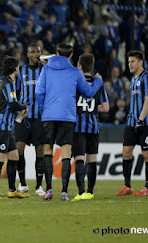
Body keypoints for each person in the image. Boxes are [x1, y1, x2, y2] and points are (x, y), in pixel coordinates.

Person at [35, 43, 103, 201]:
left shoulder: (46, 69)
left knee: (47, 151)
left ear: (56, 53)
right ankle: (64, 192)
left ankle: (49, 189)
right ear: (71, 55)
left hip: (49, 115)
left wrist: (43, 109)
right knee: (66, 152)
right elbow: (88, 92)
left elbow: (39, 91)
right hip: (67, 116)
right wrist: (98, 81)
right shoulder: (74, 72)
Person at [71, 53, 109, 201]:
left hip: (78, 127)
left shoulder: (75, 83)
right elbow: (106, 108)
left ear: (79, 66)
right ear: (91, 67)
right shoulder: (98, 83)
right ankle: (90, 191)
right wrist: (92, 108)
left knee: (79, 158)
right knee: (92, 159)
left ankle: (80, 192)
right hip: (93, 127)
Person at [0, 56, 29, 198]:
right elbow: (13, 105)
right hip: (1, 126)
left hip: (4, 126)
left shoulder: (0, 83)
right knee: (0, 156)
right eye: (17, 67)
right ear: (14, 68)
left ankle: (12, 190)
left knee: (14, 156)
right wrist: (25, 107)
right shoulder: (8, 83)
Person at [116, 50, 148, 196]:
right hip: (131, 122)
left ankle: (147, 186)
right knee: (126, 153)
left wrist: (141, 119)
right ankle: (127, 185)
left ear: (140, 62)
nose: (129, 64)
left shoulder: (145, 77)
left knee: (146, 154)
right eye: (129, 62)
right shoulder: (133, 80)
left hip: (144, 123)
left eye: (132, 61)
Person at [15, 43, 45, 196]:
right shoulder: (22, 71)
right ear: (27, 54)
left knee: (40, 150)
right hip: (23, 116)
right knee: (19, 148)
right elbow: (17, 91)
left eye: (37, 52)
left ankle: (39, 185)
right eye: (32, 52)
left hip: (39, 117)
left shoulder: (45, 70)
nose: (35, 54)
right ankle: (23, 183)